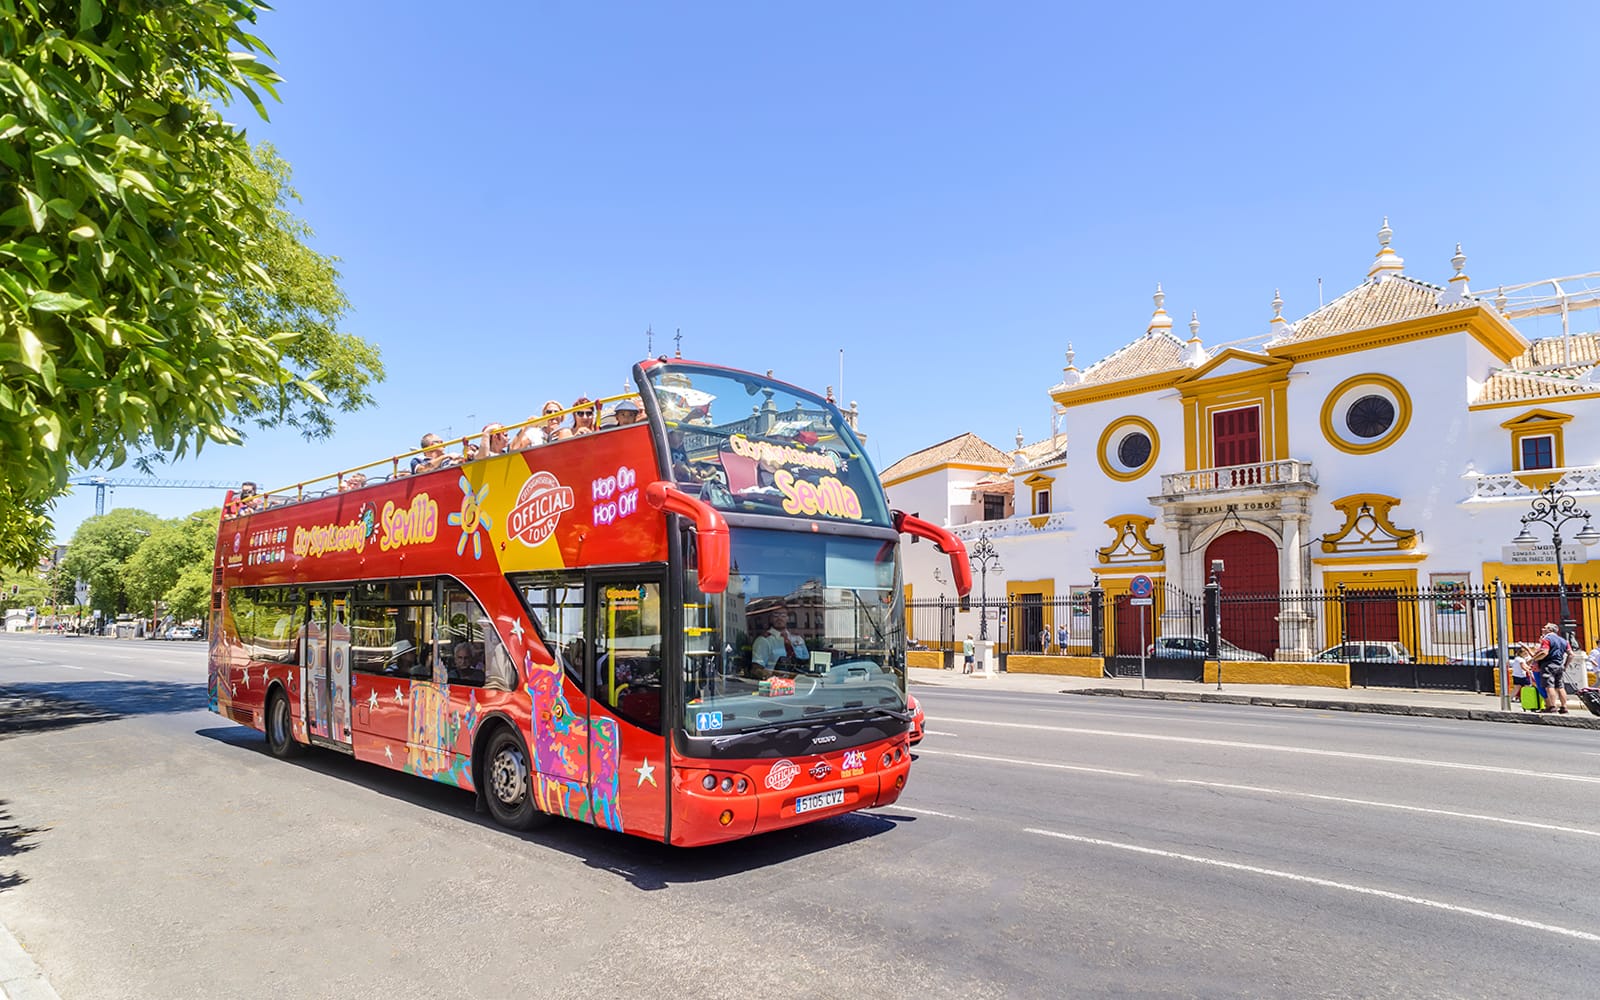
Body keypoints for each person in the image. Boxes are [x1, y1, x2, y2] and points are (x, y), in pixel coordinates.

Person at [1532, 623, 1572, 714]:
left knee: (1549, 686)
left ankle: (1552, 706)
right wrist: (1565, 665)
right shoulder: (1564, 641)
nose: (1543, 629)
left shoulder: (1547, 639)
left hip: (1548, 666)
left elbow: (1544, 652)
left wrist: (1533, 659)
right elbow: (1571, 654)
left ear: (1549, 630)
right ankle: (1564, 707)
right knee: (1560, 687)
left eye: (1545, 627)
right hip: (1559, 666)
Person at [753, 608, 808, 672]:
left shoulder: (798, 638)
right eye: (776, 616)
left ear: (788, 618)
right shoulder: (763, 641)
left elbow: (806, 662)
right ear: (770, 619)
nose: (780, 618)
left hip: (799, 680)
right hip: (775, 680)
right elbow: (757, 669)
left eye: (783, 615)